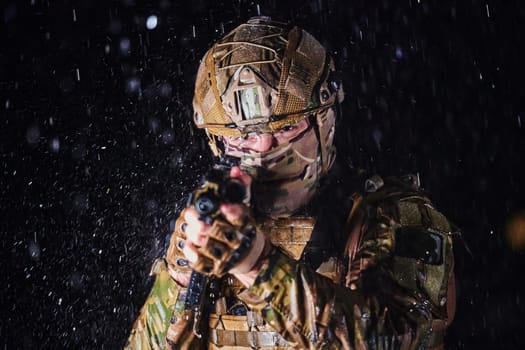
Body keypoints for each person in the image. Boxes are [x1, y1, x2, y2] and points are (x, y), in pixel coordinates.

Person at [126, 17, 456, 350]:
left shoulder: (388, 215)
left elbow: (396, 340)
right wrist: (183, 277)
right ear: (218, 142)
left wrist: (258, 265)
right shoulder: (212, 226)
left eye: (286, 128)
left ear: (324, 120)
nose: (264, 148)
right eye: (245, 136)